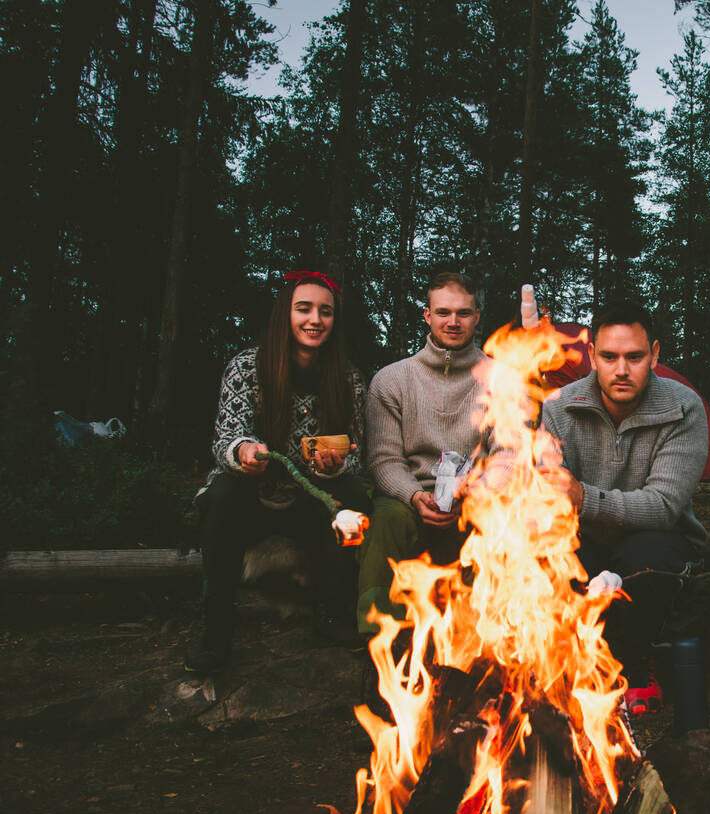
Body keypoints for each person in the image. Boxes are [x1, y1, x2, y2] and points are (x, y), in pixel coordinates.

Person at [185, 271, 370, 674]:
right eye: (303, 309)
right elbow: (225, 440)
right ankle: (216, 629)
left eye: (325, 312)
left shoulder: (349, 380)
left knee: (353, 496)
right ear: (284, 314)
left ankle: (331, 611)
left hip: (309, 500)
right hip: (250, 495)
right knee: (221, 497)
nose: (314, 320)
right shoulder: (246, 367)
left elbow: (357, 452)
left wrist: (335, 466)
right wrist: (244, 451)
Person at [540, 301, 709, 714]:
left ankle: (634, 663)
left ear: (654, 354)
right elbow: (550, 495)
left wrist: (584, 497)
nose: (621, 370)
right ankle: (573, 666)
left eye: (634, 357)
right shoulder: (559, 407)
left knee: (648, 556)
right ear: (593, 356)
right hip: (585, 538)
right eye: (610, 357)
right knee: (551, 553)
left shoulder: (683, 407)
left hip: (657, 540)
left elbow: (664, 506)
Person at [357, 271, 492, 633]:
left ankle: (482, 640)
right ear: (427, 315)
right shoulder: (393, 379)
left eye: (463, 313)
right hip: (409, 495)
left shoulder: (501, 380)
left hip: (476, 497)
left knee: (501, 521)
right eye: (443, 312)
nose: (453, 321)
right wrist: (414, 495)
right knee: (386, 519)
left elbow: (510, 455)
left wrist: (474, 494)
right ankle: (377, 633)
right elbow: (383, 459)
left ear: (477, 317)